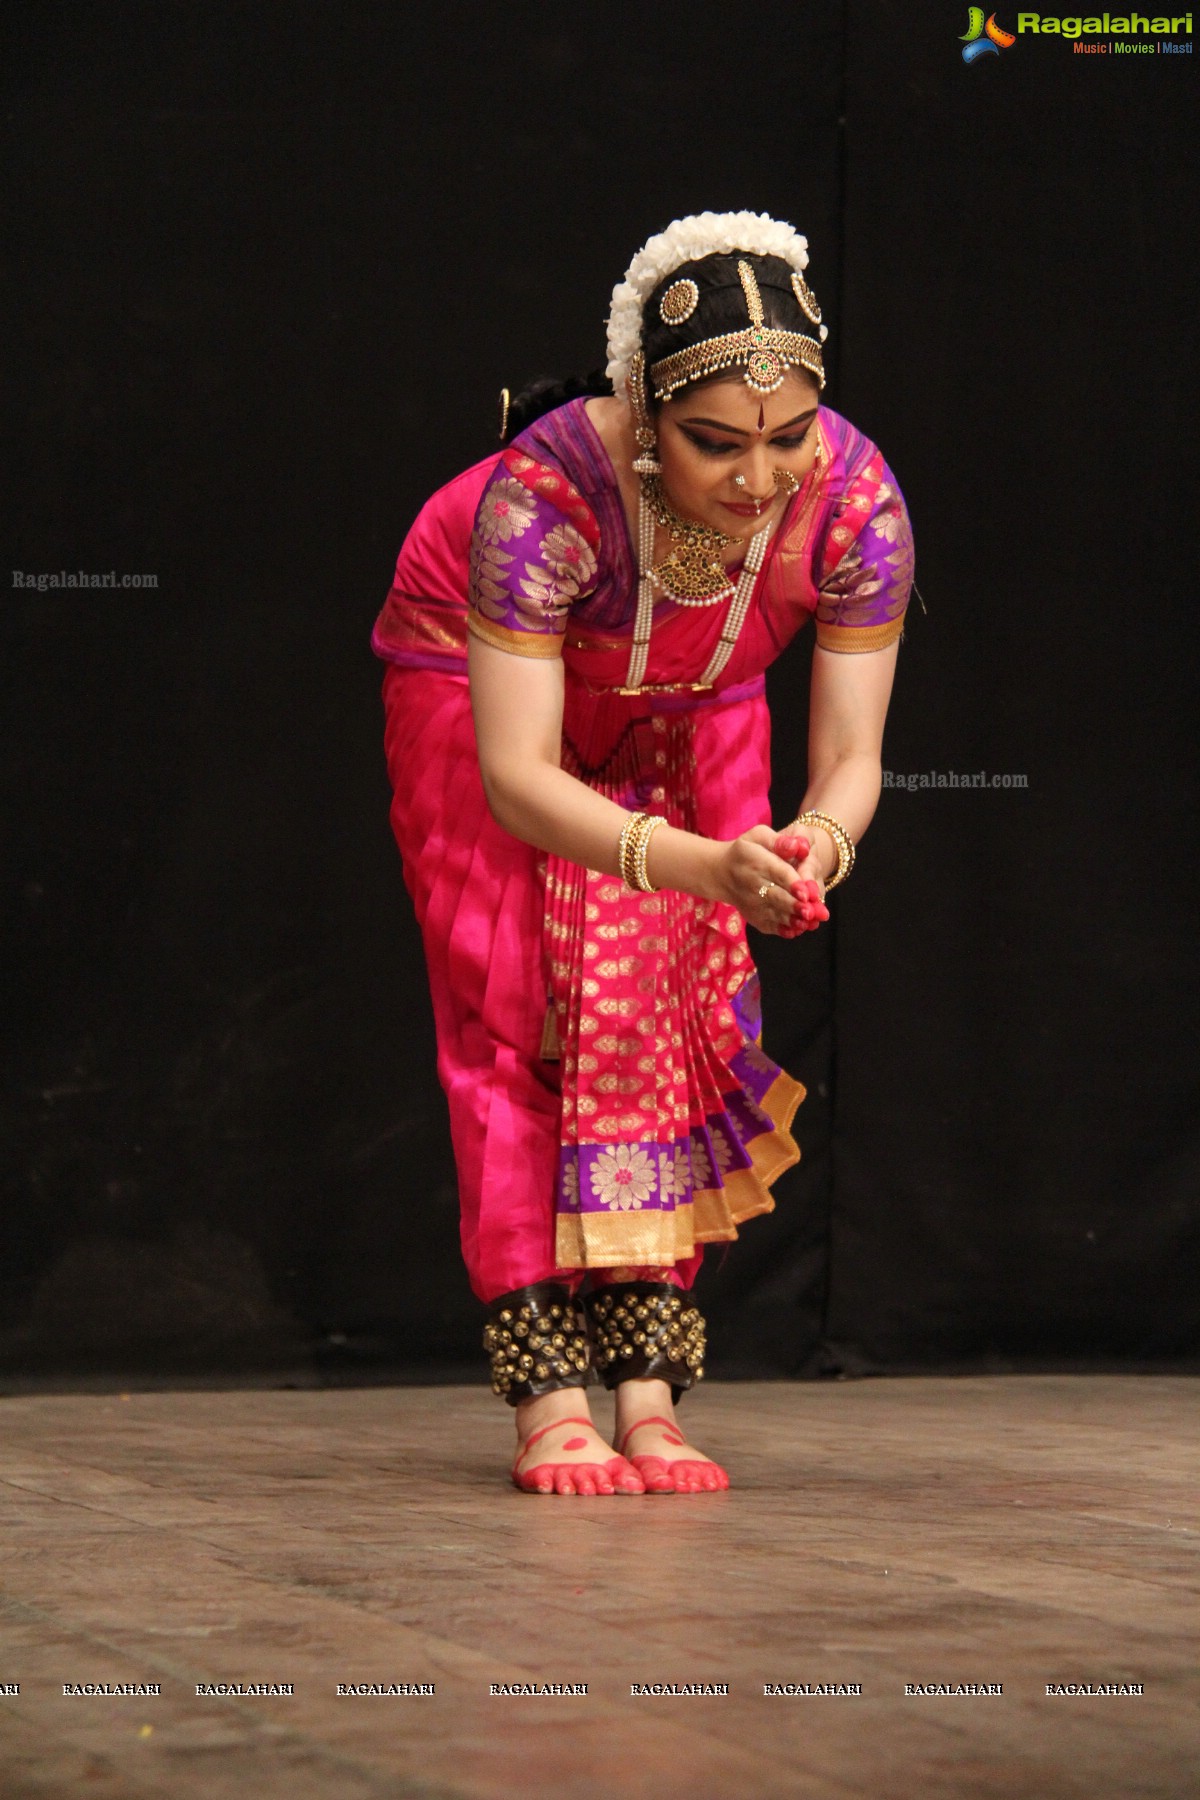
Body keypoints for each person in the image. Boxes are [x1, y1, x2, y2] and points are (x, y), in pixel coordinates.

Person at [371, 211, 913, 1497]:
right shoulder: (544, 500)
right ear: (642, 411)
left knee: (673, 1007)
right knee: (516, 1003)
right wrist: (686, 858)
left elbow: (851, 760)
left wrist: (808, 850)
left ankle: (649, 1395)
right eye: (718, 444)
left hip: (700, 692)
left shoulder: (857, 503)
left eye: (790, 438)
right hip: (478, 674)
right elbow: (518, 781)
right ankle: (551, 1398)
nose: (762, 478)